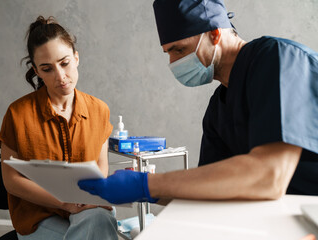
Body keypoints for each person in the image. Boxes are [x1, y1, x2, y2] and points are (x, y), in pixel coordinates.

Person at [78, 0, 318, 205]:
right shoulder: (218, 109)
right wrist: (146, 193)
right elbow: (209, 191)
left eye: (179, 50)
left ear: (214, 34)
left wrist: (147, 185)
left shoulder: (277, 60)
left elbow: (269, 177)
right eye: (169, 54)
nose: (173, 62)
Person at [0, 16, 118, 239]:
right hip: (38, 217)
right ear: (37, 71)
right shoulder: (18, 113)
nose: (60, 76)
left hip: (84, 207)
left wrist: (84, 201)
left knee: (98, 219)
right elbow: (11, 180)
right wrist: (64, 202)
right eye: (47, 68)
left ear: (76, 58)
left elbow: (100, 170)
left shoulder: (100, 110)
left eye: (64, 63)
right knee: (93, 232)